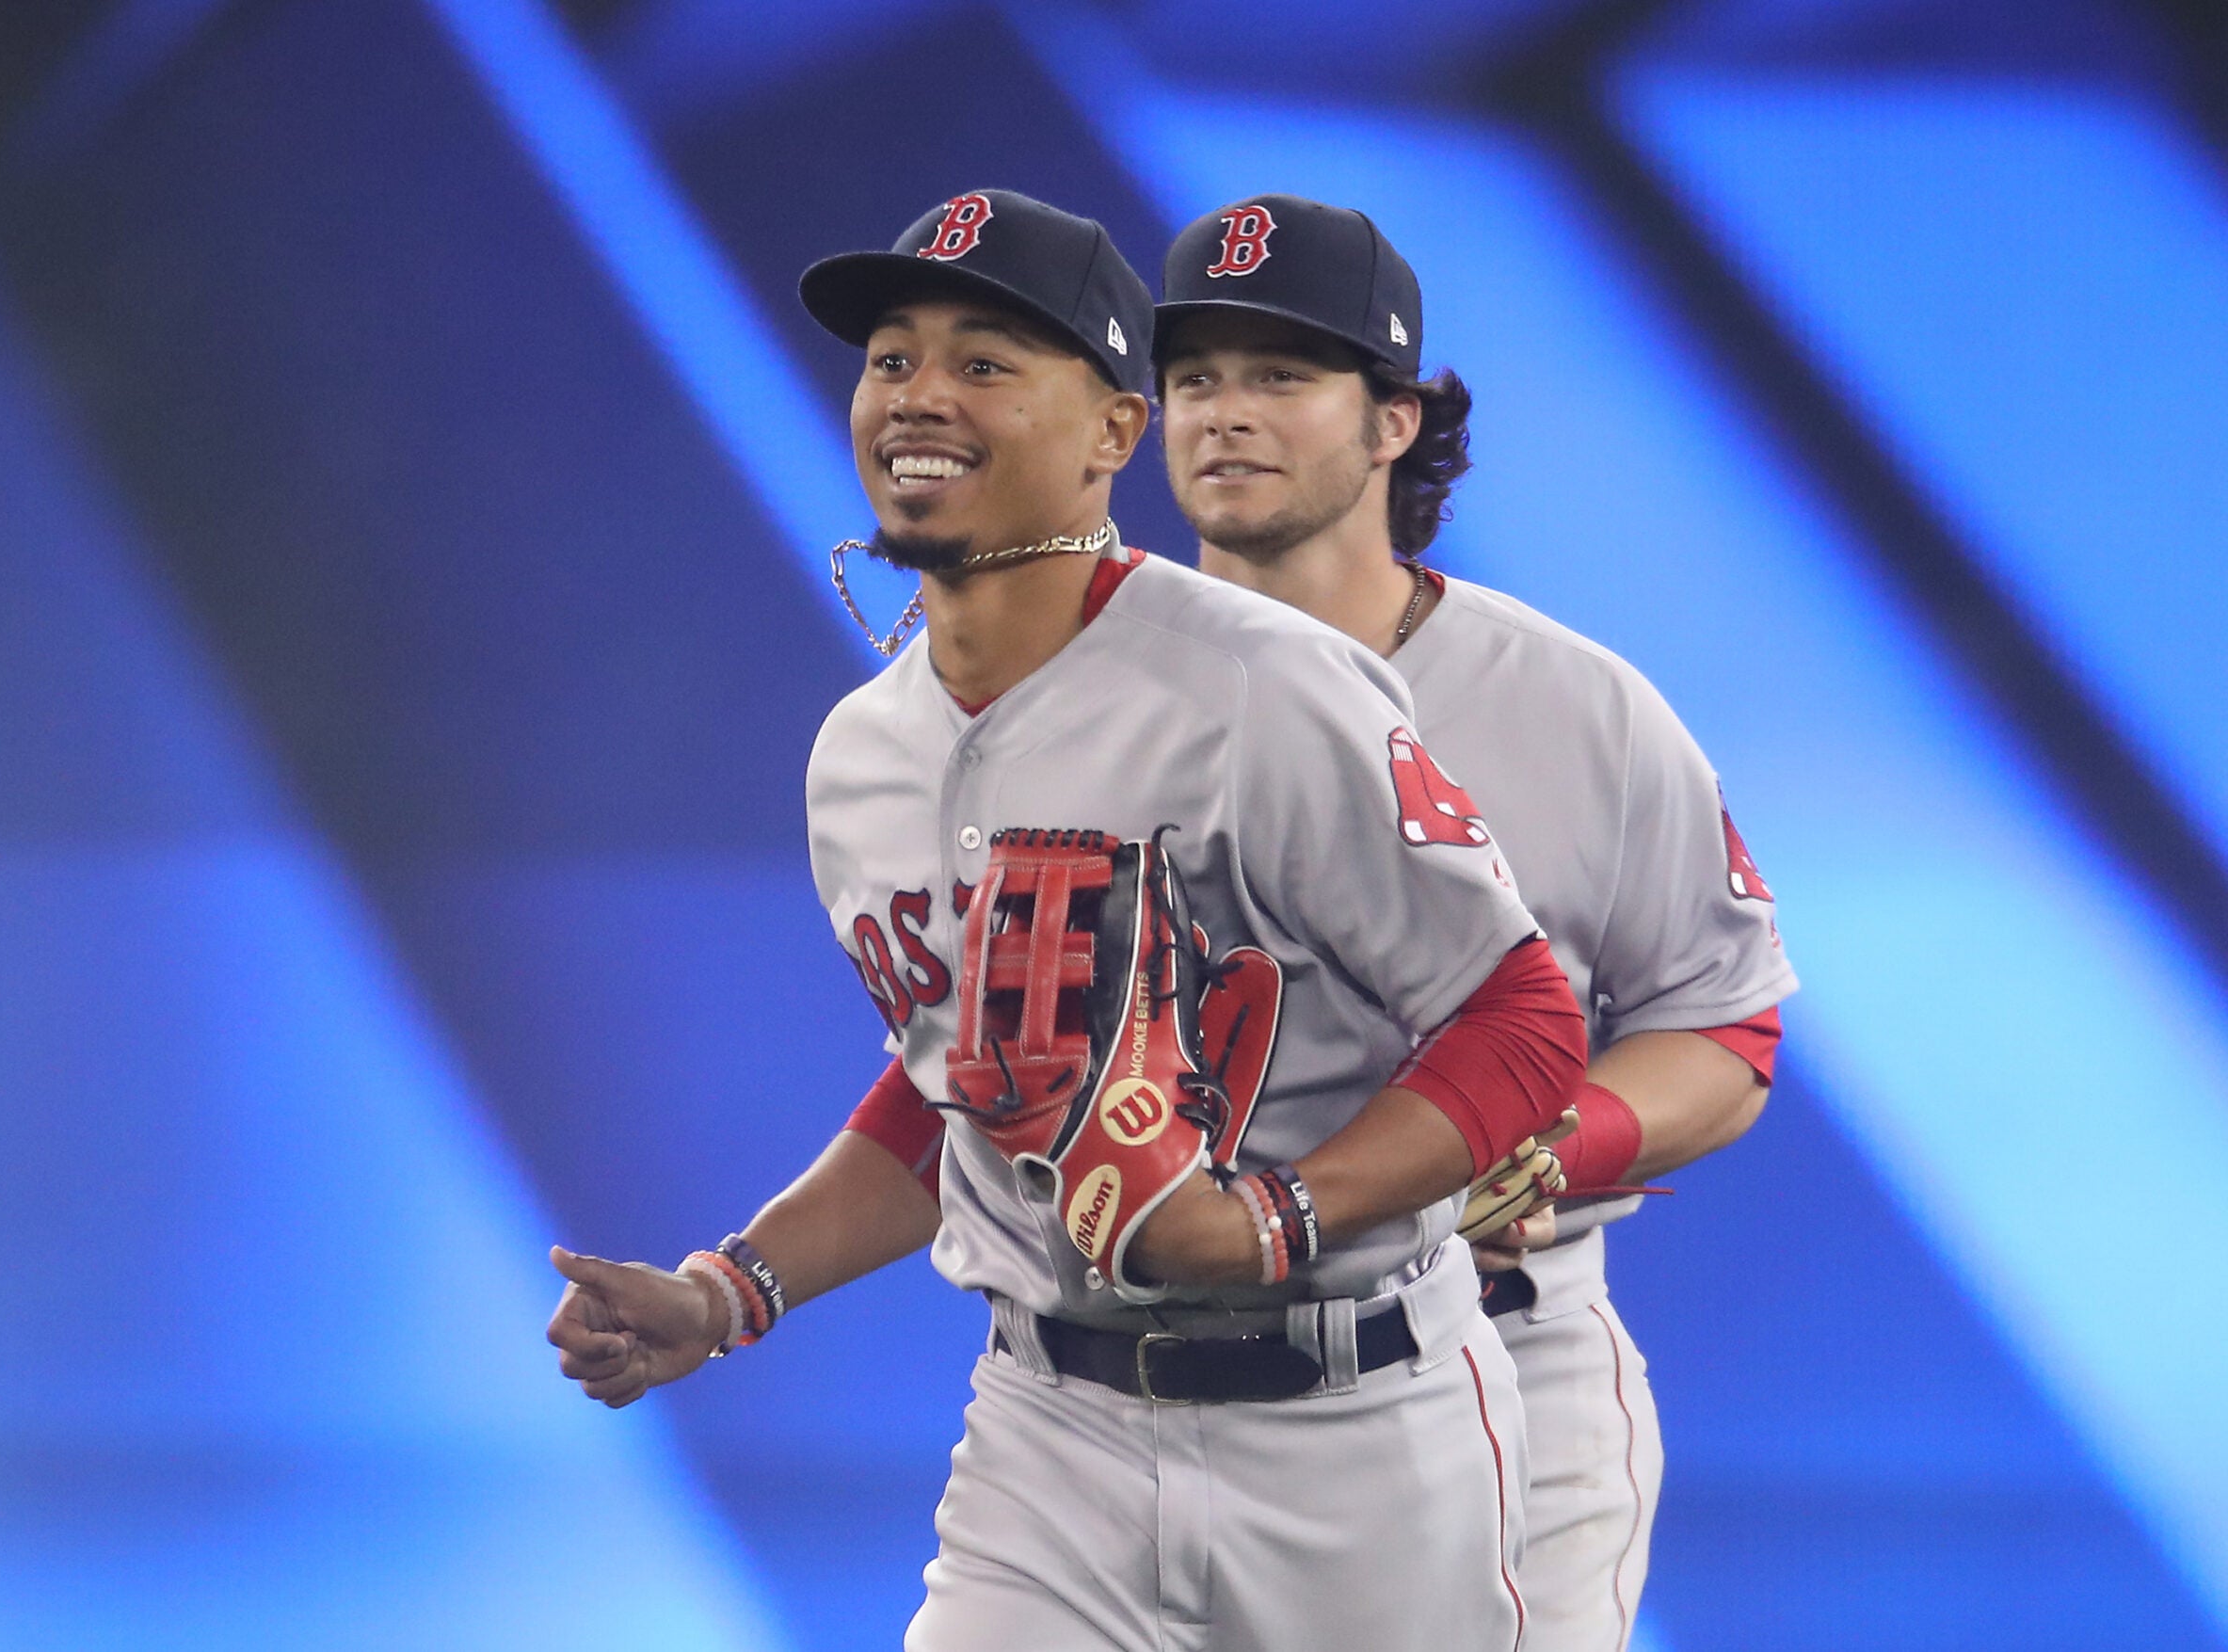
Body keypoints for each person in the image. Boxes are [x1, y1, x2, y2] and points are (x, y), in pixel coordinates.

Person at [546, 188, 1595, 1652]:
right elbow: (971, 1089)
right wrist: (726, 1292)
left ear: (1115, 431)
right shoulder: (861, 755)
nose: (920, 394)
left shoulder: (1266, 688)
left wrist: (1275, 1217)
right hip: (1052, 1440)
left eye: (987, 362)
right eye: (894, 357)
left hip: (1359, 1437)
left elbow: (1525, 1015)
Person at [1152, 194, 1799, 1652]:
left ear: (1393, 423)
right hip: (1134, 1400)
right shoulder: (1071, 701)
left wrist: (1547, 1143)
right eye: (1197, 378)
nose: (1229, 414)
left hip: (1495, 1369)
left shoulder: (1576, 705)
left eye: (1282, 376)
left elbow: (1723, 1024)